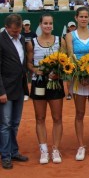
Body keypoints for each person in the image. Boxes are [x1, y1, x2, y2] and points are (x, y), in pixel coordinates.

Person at [65, 7, 89, 160]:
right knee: (80, 114)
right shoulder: (70, 36)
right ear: (76, 18)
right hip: (79, 79)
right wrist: (80, 74)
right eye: (81, 16)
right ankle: (81, 146)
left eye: (86, 16)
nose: (83, 19)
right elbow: (70, 56)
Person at [26, 13, 66, 164]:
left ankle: (55, 149)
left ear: (53, 25)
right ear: (40, 25)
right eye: (45, 23)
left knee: (57, 118)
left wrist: (58, 72)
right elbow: (29, 63)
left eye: (50, 23)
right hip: (38, 84)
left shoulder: (59, 41)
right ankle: (44, 150)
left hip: (55, 83)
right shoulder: (32, 43)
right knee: (40, 118)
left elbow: (64, 61)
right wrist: (35, 70)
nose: (48, 26)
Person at [0, 14, 29, 169]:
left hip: (19, 88)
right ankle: (5, 155)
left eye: (18, 31)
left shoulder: (22, 38)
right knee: (5, 124)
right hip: (5, 89)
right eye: (14, 32)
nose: (17, 34)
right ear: (6, 27)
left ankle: (13, 151)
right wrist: (1, 92)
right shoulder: (0, 39)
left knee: (15, 123)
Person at [21, 19, 37, 101]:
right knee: (25, 75)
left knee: (33, 73)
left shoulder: (33, 34)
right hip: (23, 56)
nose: (26, 26)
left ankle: (33, 92)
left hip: (32, 56)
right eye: (25, 25)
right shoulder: (21, 34)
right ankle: (26, 93)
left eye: (28, 25)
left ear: (29, 25)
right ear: (23, 26)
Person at [63, 21, 77, 101]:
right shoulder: (65, 37)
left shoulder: (78, 36)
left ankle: (78, 92)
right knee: (69, 78)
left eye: (73, 26)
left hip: (77, 59)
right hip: (69, 60)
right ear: (68, 28)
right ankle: (69, 93)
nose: (72, 28)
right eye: (70, 27)